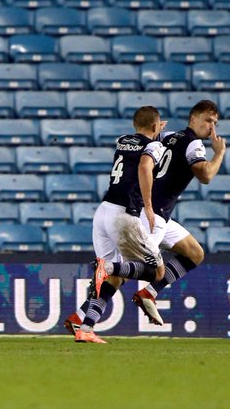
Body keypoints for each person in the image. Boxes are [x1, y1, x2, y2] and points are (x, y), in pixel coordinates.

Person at [70, 106, 167, 344]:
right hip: (124, 214)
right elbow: (145, 165)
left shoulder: (123, 140)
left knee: (109, 280)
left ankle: (86, 328)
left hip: (103, 212)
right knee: (157, 271)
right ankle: (109, 267)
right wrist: (149, 206)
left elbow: (141, 144)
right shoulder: (153, 145)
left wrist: (156, 132)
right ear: (155, 127)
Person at [131, 100, 226, 326]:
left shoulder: (169, 136)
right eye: (207, 120)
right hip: (152, 215)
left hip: (158, 213)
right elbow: (206, 176)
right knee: (126, 269)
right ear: (193, 119)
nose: (212, 127)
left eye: (215, 123)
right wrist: (219, 153)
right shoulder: (195, 145)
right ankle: (85, 315)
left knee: (194, 253)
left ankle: (149, 293)